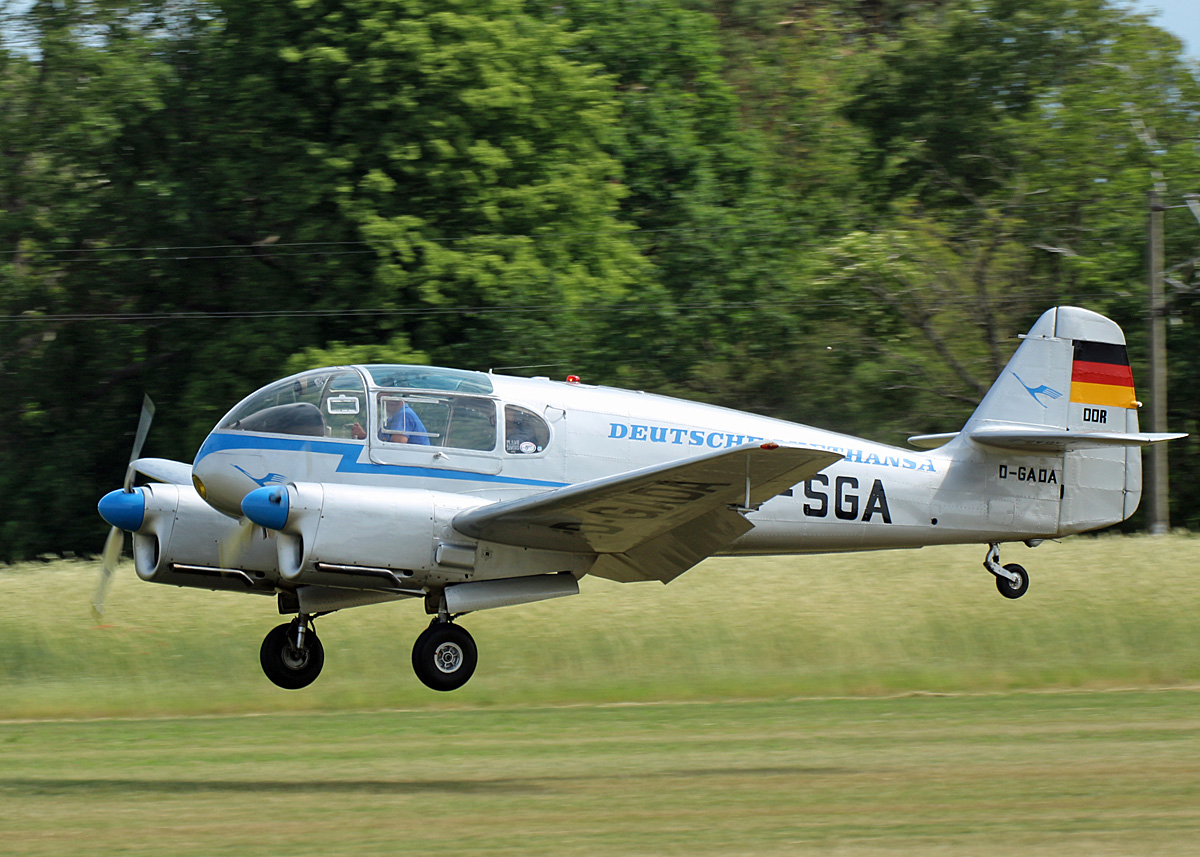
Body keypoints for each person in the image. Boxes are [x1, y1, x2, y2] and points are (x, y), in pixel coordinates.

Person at [350, 398, 431, 444]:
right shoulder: (394, 418)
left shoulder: (404, 415)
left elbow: (396, 445)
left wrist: (364, 436)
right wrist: (364, 436)